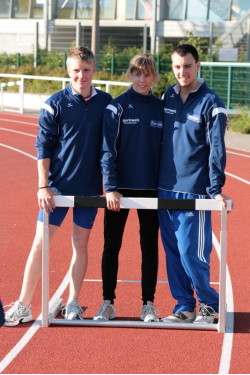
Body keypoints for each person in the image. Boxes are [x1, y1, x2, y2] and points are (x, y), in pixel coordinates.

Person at [4, 46, 112, 326]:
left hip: (89, 190)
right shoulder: (55, 103)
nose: (81, 75)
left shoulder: (106, 103)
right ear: (68, 71)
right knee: (40, 244)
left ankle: (74, 301)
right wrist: (43, 186)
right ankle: (24, 304)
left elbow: (110, 147)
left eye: (86, 70)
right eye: (76, 70)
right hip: (58, 190)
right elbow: (43, 145)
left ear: (94, 71)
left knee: (81, 244)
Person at [158, 44, 229, 324]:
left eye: (187, 66)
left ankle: (210, 304)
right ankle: (185, 305)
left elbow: (216, 150)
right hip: (164, 189)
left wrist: (215, 189)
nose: (182, 72)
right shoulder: (168, 96)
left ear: (198, 66)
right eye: (177, 66)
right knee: (173, 253)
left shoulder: (211, 102)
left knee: (191, 252)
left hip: (195, 191)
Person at [93, 54, 164, 322]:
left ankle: (148, 304)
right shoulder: (116, 107)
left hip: (151, 190)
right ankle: (108, 302)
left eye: (147, 74)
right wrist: (110, 187)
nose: (142, 79)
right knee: (111, 246)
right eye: (137, 73)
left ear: (154, 76)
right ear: (129, 74)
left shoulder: (161, 108)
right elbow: (106, 151)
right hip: (119, 191)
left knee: (150, 247)